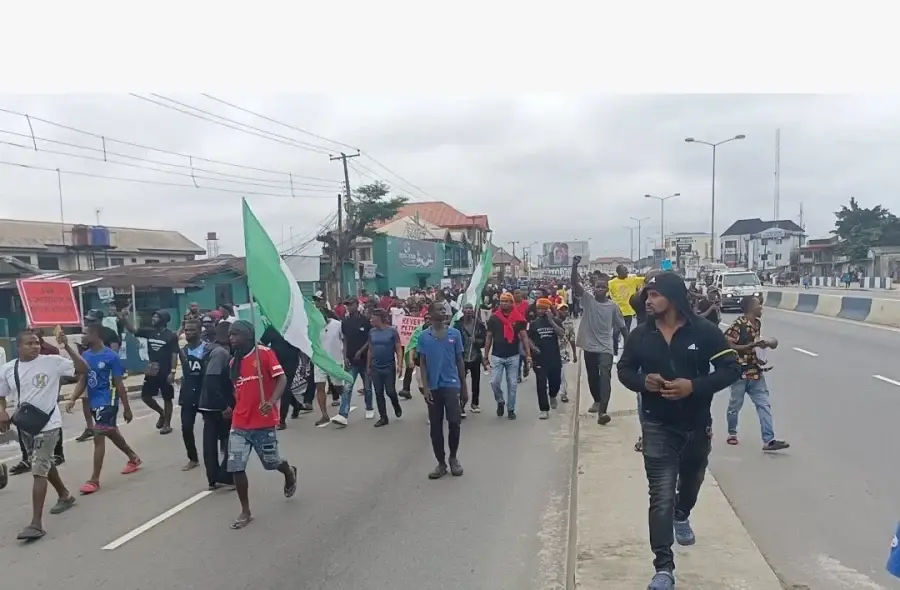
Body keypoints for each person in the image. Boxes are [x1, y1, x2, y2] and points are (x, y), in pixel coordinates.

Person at [617, 272, 741, 590]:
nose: (648, 300)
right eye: (647, 295)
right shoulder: (640, 336)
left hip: (696, 425)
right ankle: (663, 568)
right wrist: (644, 381)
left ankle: (682, 512)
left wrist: (694, 387)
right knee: (659, 496)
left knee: (691, 482)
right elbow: (625, 369)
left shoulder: (705, 331)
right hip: (657, 425)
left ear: (673, 298)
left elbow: (731, 368)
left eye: (655, 295)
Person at [0, 329, 85, 540]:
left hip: (49, 424)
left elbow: (83, 369)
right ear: (18, 347)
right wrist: (1, 411)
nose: (35, 346)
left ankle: (36, 523)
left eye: (37, 343)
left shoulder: (52, 362)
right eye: (29, 343)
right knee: (43, 462)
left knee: (38, 470)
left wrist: (67, 347)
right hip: (26, 425)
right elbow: (1, 395)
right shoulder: (9, 369)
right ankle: (65, 495)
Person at [226, 320, 298, 530]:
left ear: (247, 335)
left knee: (271, 462)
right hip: (239, 424)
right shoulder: (233, 363)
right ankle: (245, 511)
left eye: (235, 334)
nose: (231, 338)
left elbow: (282, 379)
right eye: (230, 335)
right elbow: (236, 390)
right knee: (236, 466)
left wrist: (271, 401)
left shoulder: (264, 353)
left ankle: (289, 472)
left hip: (263, 423)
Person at [67, 324, 142, 495]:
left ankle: (94, 479)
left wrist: (126, 408)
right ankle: (133, 457)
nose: (82, 336)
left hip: (108, 402)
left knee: (99, 435)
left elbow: (119, 384)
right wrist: (73, 398)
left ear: (95, 335)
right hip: (94, 402)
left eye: (85, 333)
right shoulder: (85, 356)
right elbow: (83, 381)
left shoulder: (111, 357)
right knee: (110, 431)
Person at [724, 296, 790, 451]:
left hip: (755, 372)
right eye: (758, 304)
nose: (761, 307)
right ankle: (732, 433)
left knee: (764, 404)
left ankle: (769, 440)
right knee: (735, 405)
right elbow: (728, 344)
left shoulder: (757, 324)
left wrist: (761, 351)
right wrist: (751, 345)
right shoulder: (738, 324)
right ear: (750, 308)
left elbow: (758, 344)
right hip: (740, 372)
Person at [571, 257, 626, 425]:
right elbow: (574, 283)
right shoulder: (588, 300)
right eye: (597, 286)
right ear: (593, 289)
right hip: (589, 346)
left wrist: (630, 344)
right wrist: (574, 265)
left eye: (603, 287)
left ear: (607, 290)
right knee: (592, 377)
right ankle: (596, 400)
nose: (600, 289)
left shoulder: (613, 307)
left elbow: (622, 327)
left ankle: (603, 411)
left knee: (605, 377)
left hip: (605, 347)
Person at [417, 302, 466, 479]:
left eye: (444, 309)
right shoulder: (423, 336)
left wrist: (464, 387)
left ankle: (453, 458)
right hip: (434, 387)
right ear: (429, 314)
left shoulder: (455, 334)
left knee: (454, 422)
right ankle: (441, 463)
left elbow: (460, 360)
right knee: (435, 427)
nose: (443, 311)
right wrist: (425, 386)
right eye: (439, 309)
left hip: (452, 385)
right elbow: (422, 362)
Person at [122, 309, 179, 434]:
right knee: (146, 396)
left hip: (166, 370)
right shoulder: (149, 332)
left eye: (156, 317)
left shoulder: (171, 335)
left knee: (167, 398)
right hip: (152, 369)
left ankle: (167, 424)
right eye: (153, 316)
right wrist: (124, 318)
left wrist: (173, 372)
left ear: (163, 320)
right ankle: (161, 413)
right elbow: (133, 330)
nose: (153, 319)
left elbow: (174, 354)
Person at [73, 309, 122, 444]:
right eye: (88, 320)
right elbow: (82, 356)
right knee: (85, 399)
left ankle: (108, 427)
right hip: (90, 372)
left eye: (92, 320)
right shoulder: (86, 335)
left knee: (104, 425)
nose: (89, 322)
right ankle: (90, 426)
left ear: (100, 321)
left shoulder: (109, 333)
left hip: (105, 376)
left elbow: (114, 351)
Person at [198, 321, 235, 490]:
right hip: (217, 403)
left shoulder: (209, 350)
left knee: (211, 440)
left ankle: (213, 477)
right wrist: (224, 405)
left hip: (207, 402)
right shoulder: (220, 353)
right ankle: (224, 475)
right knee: (230, 439)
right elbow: (212, 380)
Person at [483, 292, 530, 420]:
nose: (504, 303)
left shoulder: (518, 319)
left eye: (507, 301)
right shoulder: (494, 318)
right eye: (502, 301)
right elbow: (489, 337)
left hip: (513, 356)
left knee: (513, 384)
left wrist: (528, 355)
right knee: (494, 382)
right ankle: (500, 401)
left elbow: (524, 338)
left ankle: (511, 409)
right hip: (497, 356)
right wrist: (485, 356)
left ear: (511, 303)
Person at [260, 324, 304, 429]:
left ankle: (281, 420)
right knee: (281, 388)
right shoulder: (272, 328)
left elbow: (301, 345)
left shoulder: (293, 326)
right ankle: (296, 405)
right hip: (275, 362)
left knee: (284, 388)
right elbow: (263, 343)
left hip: (291, 361)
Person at [528, 298, 566, 419]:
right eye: (539, 308)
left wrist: (551, 321)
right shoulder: (534, 324)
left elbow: (561, 334)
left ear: (549, 309)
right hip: (539, 358)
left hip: (554, 357)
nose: (541, 311)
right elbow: (528, 338)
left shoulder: (556, 321)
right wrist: (533, 347)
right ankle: (544, 409)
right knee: (541, 384)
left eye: (544, 308)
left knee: (556, 382)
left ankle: (553, 395)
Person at [366, 309, 403, 427]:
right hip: (376, 367)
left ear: (380, 318)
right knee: (378, 392)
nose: (371, 320)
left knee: (390, 391)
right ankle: (383, 417)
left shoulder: (392, 331)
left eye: (373, 318)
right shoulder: (372, 332)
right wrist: (368, 366)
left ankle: (396, 404)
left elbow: (398, 348)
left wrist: (400, 364)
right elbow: (370, 349)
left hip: (389, 366)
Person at [178, 319, 206, 470]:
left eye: (191, 330)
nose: (187, 332)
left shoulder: (207, 349)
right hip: (188, 394)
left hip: (204, 392)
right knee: (186, 427)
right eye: (186, 330)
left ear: (199, 331)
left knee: (214, 425)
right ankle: (193, 458)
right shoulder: (183, 351)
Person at [339, 298, 374, 420]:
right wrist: (344, 357)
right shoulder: (345, 321)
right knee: (347, 387)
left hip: (365, 360)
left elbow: (370, 339)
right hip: (351, 360)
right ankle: (343, 413)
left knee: (368, 386)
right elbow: (345, 340)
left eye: (351, 304)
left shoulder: (365, 320)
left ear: (357, 305)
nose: (349, 307)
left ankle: (369, 407)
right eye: (347, 305)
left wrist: (361, 351)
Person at [314, 308, 345, 427]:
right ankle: (324, 415)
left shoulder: (337, 325)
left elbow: (344, 339)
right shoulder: (314, 327)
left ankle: (344, 407)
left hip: (335, 361)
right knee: (320, 387)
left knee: (338, 387)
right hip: (320, 361)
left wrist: (344, 356)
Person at [453, 303, 486, 414]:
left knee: (475, 381)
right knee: (461, 382)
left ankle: (475, 404)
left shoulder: (479, 324)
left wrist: (476, 341)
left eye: (470, 308)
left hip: (475, 356)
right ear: (462, 310)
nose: (468, 310)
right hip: (462, 357)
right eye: (466, 308)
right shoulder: (457, 325)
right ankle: (461, 404)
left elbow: (484, 341)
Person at [608, 265, 642, 357]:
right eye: (624, 270)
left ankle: (626, 354)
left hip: (629, 312)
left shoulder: (632, 279)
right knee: (615, 334)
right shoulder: (611, 283)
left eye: (627, 270)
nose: (627, 271)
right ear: (618, 272)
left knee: (626, 335)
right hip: (617, 313)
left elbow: (646, 279)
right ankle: (615, 354)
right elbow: (607, 294)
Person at [556, 303, 577, 403]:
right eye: (561, 309)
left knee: (563, 374)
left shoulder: (569, 324)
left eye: (565, 310)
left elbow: (572, 339)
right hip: (552, 351)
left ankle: (563, 393)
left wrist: (575, 354)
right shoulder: (553, 322)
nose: (563, 311)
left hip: (564, 352)